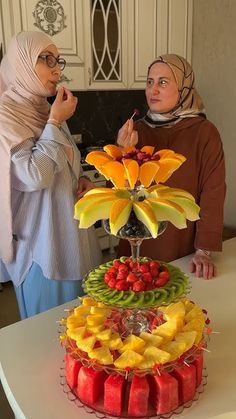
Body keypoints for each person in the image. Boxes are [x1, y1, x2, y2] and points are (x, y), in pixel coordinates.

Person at [0, 31, 102, 319]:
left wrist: (79, 179)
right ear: (21, 63)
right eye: (46, 59)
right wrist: (55, 121)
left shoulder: (44, 107)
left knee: (85, 331)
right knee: (49, 338)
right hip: (42, 249)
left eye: (58, 61)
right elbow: (34, 175)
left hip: (73, 238)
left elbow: (65, 161)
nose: (57, 69)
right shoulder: (6, 114)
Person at [117, 54, 226, 280]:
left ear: (184, 88)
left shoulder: (204, 133)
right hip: (138, 246)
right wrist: (123, 153)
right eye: (149, 82)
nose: (152, 90)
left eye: (163, 82)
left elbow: (213, 193)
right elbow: (119, 194)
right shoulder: (136, 131)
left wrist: (203, 251)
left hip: (183, 247)